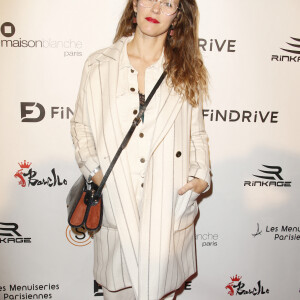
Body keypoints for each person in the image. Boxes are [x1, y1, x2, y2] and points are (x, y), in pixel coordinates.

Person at [70, 0, 211, 299]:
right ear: (134, 5)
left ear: (177, 16)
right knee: (117, 289)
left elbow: (196, 134)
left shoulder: (186, 70)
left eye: (168, 3)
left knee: (160, 290)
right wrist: (96, 175)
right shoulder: (99, 65)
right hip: (117, 200)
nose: (156, 8)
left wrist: (199, 178)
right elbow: (82, 128)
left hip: (167, 205)